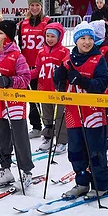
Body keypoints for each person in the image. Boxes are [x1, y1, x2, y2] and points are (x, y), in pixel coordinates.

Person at [53, 21, 108, 199]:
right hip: (73, 114)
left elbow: (102, 85)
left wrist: (83, 81)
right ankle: (82, 183)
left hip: (93, 114)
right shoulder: (68, 61)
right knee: (76, 151)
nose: (87, 42)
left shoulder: (98, 59)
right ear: (76, 41)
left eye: (90, 38)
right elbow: (60, 86)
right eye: (82, 38)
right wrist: (59, 77)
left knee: (95, 151)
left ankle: (100, 184)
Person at [0, 19, 34, 192]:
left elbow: (25, 78)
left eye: (0, 33)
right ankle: (5, 169)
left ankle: (26, 172)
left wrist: (10, 81)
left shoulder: (17, 56)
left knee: (19, 137)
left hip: (14, 102)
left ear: (9, 37)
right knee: (2, 137)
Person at [18, 0, 51, 138]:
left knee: (46, 98)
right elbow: (20, 44)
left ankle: (50, 126)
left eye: (37, 5)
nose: (34, 8)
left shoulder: (47, 22)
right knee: (32, 98)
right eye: (32, 5)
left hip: (43, 66)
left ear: (41, 6)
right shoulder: (23, 24)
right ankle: (36, 126)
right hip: (28, 67)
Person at [35, 21, 69, 154]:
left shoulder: (64, 51)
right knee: (46, 115)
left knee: (59, 115)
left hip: (58, 89)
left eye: (53, 36)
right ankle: (48, 137)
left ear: (59, 37)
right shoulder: (41, 52)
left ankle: (61, 141)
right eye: (47, 36)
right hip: (44, 87)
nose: (49, 39)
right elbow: (37, 69)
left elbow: (67, 66)